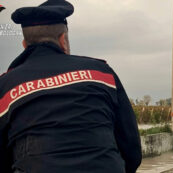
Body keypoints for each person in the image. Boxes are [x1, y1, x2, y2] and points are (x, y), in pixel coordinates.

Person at [0, 0, 142, 172]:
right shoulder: (103, 73)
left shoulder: (5, 86)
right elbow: (131, 148)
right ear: (63, 40)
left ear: (24, 45)